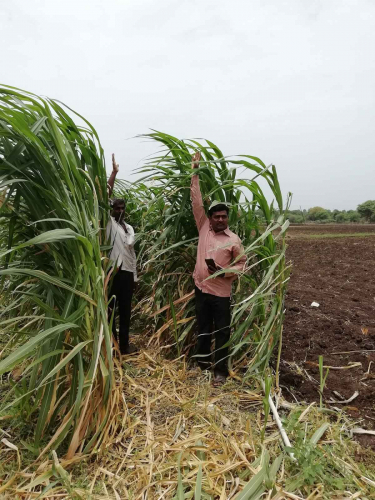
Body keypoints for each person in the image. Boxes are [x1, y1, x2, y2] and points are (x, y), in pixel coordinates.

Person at [191, 152, 247, 386]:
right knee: (203, 326)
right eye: (217, 216)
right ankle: (202, 363)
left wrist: (223, 272)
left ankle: (220, 371)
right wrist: (195, 171)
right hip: (201, 290)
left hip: (221, 294)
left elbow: (243, 265)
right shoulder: (203, 228)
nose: (221, 220)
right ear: (210, 218)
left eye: (224, 216)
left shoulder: (233, 240)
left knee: (222, 331)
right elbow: (196, 202)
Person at [106, 154, 138, 355]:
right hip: (113, 273)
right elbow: (103, 196)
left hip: (127, 274)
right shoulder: (109, 225)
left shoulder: (129, 228)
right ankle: (113, 344)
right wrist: (114, 173)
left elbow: (131, 254)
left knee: (126, 312)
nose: (120, 210)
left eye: (122, 207)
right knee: (111, 312)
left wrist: (135, 277)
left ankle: (124, 346)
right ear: (112, 209)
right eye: (116, 207)